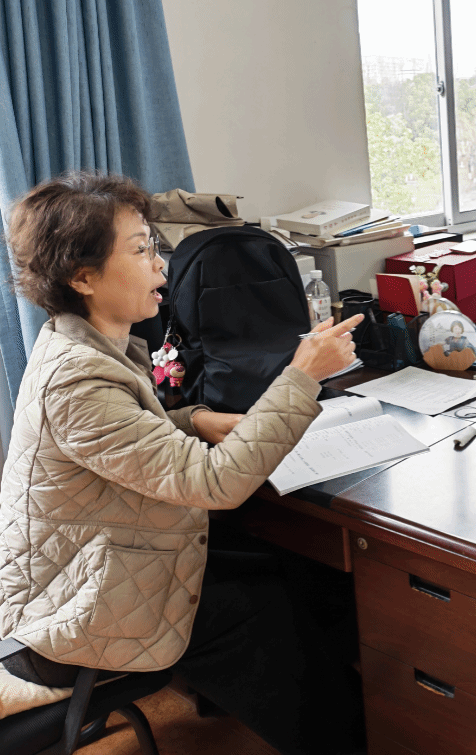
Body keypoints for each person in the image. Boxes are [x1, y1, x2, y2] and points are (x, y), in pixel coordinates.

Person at [0, 171, 367, 753]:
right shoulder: (78, 378)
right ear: (82, 276)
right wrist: (302, 375)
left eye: (155, 247)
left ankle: (358, 713)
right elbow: (215, 484)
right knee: (260, 608)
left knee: (286, 569)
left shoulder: (81, 344)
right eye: (140, 250)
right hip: (72, 616)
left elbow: (115, 439)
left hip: (99, 567)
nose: (161, 267)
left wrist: (192, 419)